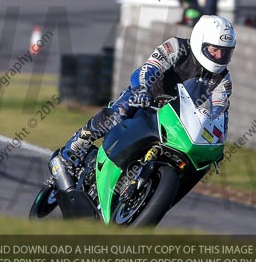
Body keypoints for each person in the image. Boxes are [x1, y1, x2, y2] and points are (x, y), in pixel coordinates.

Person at [59, 15, 235, 167]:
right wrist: (142, 89)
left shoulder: (223, 79)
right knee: (119, 114)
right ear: (200, 40)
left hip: (176, 120)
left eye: (225, 52)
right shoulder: (176, 47)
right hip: (147, 98)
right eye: (214, 49)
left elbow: (220, 112)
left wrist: (216, 144)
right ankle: (79, 142)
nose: (219, 56)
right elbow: (149, 68)